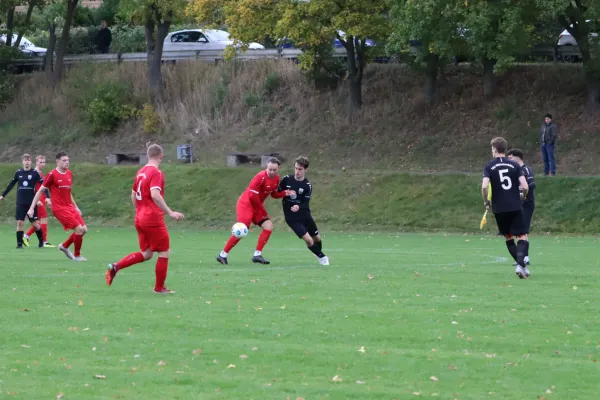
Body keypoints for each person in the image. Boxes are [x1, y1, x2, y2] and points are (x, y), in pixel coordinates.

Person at [105, 144, 184, 294]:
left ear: (147, 156)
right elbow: (155, 194)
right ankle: (159, 288)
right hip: (152, 218)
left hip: (140, 217)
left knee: (147, 253)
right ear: (161, 156)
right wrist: (170, 212)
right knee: (164, 252)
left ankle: (115, 266)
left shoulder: (140, 172)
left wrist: (140, 210)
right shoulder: (157, 173)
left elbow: (133, 195)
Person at [216, 157, 295, 265]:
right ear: (267, 167)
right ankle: (222, 255)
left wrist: (285, 193)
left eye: (274, 170)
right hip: (246, 204)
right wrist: (262, 210)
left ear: (278, 169)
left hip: (256, 206)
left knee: (268, 227)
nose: (272, 172)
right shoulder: (260, 177)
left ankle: (257, 255)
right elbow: (253, 196)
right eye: (270, 169)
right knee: (242, 230)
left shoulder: (276, 178)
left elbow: (273, 194)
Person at [481, 137, 530, 279]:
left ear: (495, 150)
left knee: (508, 237)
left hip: (499, 208)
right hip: (515, 205)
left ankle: (521, 267)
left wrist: (486, 201)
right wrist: (523, 196)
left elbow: (484, 186)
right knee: (522, 235)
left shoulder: (489, 166)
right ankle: (521, 266)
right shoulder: (515, 165)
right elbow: (525, 186)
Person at [27, 152, 88, 261]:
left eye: (68, 160)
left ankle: (64, 246)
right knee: (78, 229)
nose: (67, 162)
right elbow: (41, 190)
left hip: (70, 207)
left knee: (84, 229)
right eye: (64, 160)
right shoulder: (52, 174)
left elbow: (68, 192)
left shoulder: (69, 173)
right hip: (59, 208)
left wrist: (76, 207)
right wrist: (32, 208)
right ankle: (77, 256)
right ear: (58, 162)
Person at [278, 156, 329, 265]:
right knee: (308, 240)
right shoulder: (286, 179)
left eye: (300, 169)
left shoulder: (307, 186)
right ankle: (322, 258)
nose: (297, 171)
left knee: (317, 238)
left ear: (305, 170)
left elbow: (305, 202)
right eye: (296, 168)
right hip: (291, 217)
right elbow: (276, 192)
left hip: (305, 214)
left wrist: (298, 206)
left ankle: (317, 253)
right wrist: (282, 193)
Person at [0, 154, 46, 249]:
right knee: (20, 222)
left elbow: (44, 186)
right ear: (22, 162)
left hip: (31, 203)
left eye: (28, 160)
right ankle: (19, 244)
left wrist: (47, 197)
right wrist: (3, 195)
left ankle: (41, 241)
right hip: (20, 202)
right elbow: (11, 185)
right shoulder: (18, 173)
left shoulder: (35, 173)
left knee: (35, 224)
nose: (27, 161)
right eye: (25, 160)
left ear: (31, 162)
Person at [507, 148, 535, 267]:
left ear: (517, 157)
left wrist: (521, 193)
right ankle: (524, 257)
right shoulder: (515, 170)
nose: (509, 160)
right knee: (520, 231)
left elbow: (532, 184)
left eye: (510, 158)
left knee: (522, 231)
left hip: (526, 204)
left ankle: (524, 257)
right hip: (517, 205)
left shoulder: (525, 170)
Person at [23, 155, 54, 248]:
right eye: (40, 162)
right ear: (36, 162)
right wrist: (35, 200)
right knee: (43, 219)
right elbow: (31, 188)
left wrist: (47, 198)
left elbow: (45, 187)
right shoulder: (34, 173)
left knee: (41, 221)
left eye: (44, 162)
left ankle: (26, 236)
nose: (42, 164)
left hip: (42, 199)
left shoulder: (40, 173)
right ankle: (43, 241)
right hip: (37, 200)